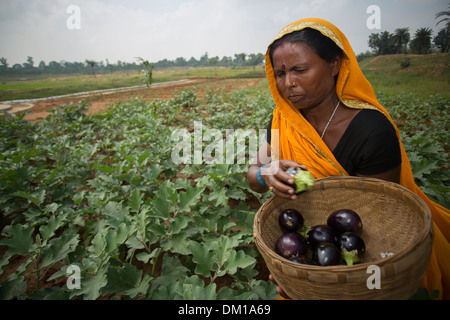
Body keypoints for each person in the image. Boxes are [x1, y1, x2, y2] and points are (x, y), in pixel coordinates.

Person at [247, 18, 450, 299]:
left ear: (335, 65)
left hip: (368, 273)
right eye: (280, 74)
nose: (289, 83)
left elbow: (375, 228)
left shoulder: (372, 131)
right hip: (312, 257)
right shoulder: (283, 120)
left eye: (300, 70)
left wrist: (317, 281)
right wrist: (264, 173)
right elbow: (253, 173)